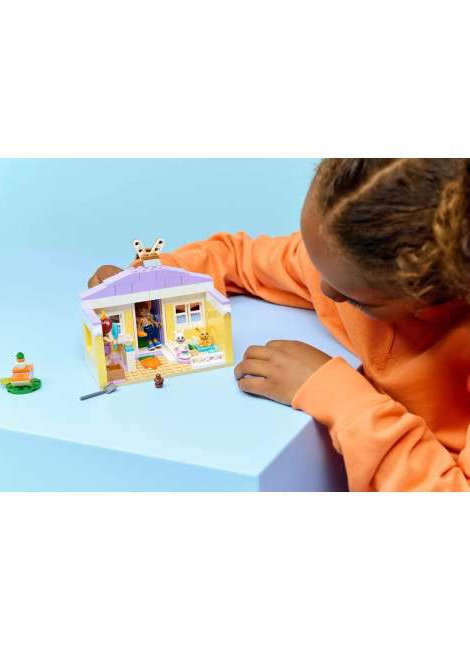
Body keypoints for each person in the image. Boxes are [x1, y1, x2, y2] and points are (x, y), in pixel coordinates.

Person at [88, 159, 470, 492]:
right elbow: (237, 258)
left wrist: (341, 396)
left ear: (437, 284)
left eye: (357, 299)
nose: (322, 290)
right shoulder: (345, 257)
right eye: (317, 264)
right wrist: (156, 280)